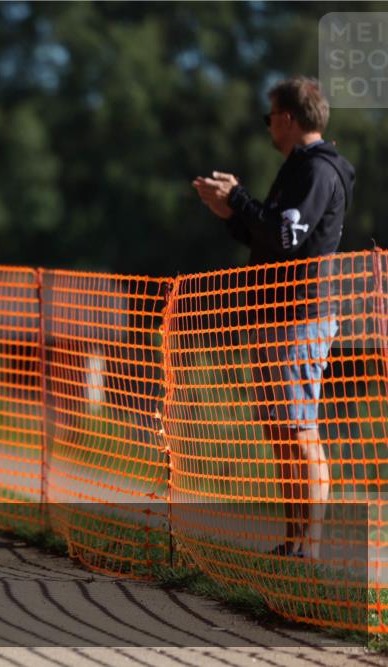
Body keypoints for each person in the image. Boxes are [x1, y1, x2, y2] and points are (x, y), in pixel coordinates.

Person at [193, 77, 355, 560]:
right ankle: (295, 538)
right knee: (281, 429)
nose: (268, 127)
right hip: (276, 313)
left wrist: (239, 197)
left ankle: (312, 545)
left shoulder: (317, 171)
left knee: (299, 429)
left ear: (287, 118)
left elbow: (285, 237)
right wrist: (229, 213)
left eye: (270, 117)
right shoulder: (299, 168)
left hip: (300, 315)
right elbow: (269, 237)